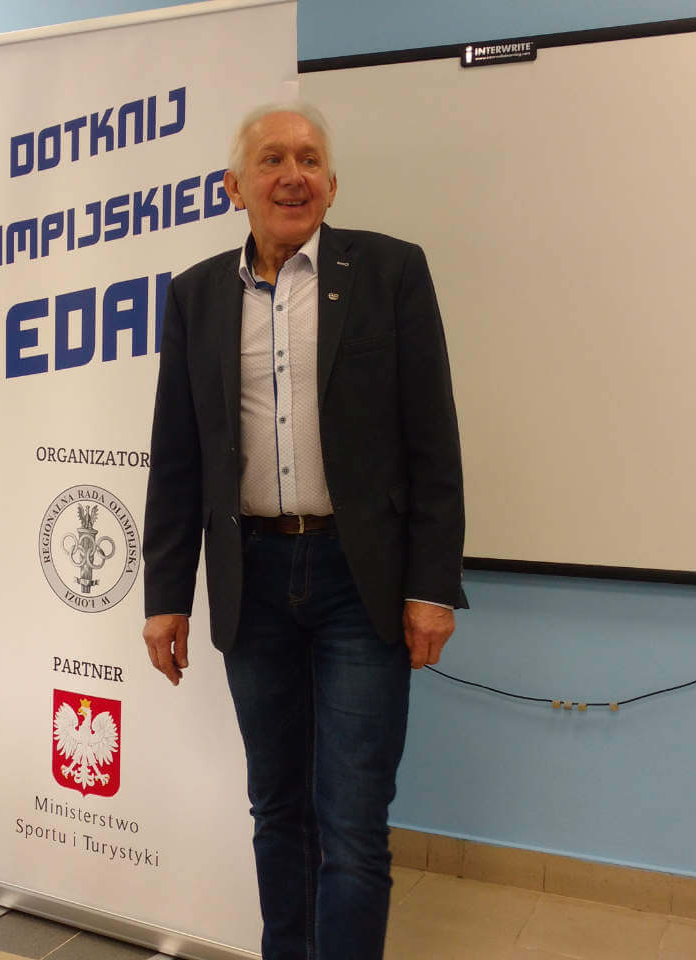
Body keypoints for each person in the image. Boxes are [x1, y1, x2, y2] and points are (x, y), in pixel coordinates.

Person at [141, 102, 467, 960]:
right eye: (273, 159)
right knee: (277, 808)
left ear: (332, 183)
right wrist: (165, 596)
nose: (294, 175)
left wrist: (432, 587)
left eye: (310, 159)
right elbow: (177, 457)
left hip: (359, 582)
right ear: (234, 187)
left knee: (352, 822)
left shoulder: (391, 272)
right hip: (251, 578)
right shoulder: (196, 294)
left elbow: (433, 442)